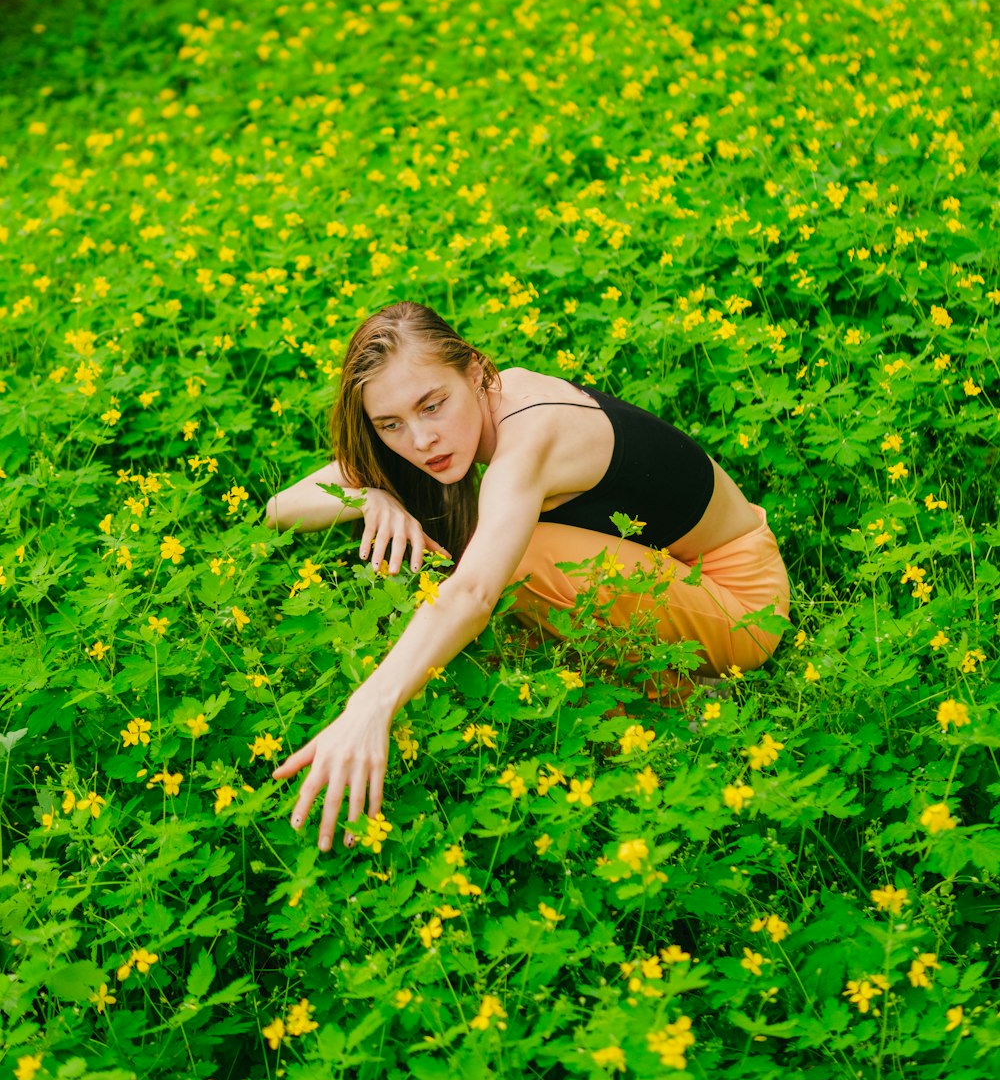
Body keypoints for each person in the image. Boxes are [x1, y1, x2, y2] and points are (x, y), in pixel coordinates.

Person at [264, 300, 791, 852]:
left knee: (513, 560)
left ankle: (684, 707)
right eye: (391, 424)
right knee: (489, 587)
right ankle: (627, 713)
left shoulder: (529, 435)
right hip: (662, 576)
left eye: (432, 406)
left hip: (742, 605)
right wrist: (372, 497)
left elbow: (472, 591)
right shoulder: (451, 420)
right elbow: (281, 508)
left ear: (474, 370)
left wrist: (368, 707)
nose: (421, 441)